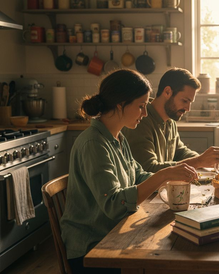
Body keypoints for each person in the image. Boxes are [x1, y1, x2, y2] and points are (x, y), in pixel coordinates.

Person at [60, 69, 198, 274]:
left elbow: (139, 175)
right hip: (92, 250)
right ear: (120, 104)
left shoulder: (116, 138)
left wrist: (170, 175)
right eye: (141, 106)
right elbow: (114, 205)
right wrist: (164, 175)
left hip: (115, 233)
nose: (145, 113)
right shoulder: (93, 143)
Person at [122, 67, 219, 173]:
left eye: (190, 103)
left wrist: (206, 160)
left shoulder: (170, 120)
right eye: (185, 101)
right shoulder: (140, 120)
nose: (188, 109)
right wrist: (198, 161)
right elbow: (148, 169)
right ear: (167, 92)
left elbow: (180, 152)